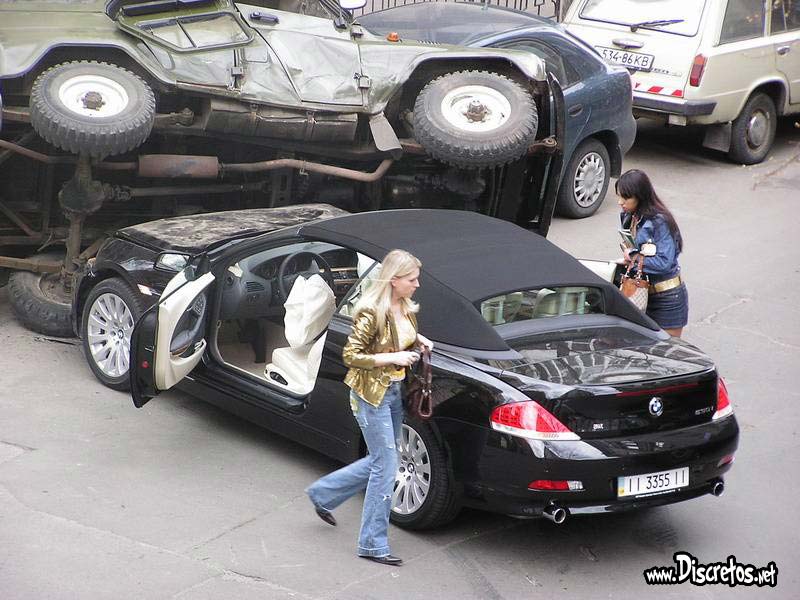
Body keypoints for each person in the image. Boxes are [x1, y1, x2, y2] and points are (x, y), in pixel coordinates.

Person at [305, 249, 434, 566]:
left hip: (394, 391)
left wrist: (418, 340)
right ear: (394, 280)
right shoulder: (370, 311)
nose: (417, 284)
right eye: (412, 279)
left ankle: (323, 493)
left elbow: (396, 335)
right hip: (370, 395)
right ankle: (372, 544)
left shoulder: (404, 306)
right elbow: (351, 356)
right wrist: (393, 358)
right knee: (386, 467)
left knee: (382, 460)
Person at [616, 169, 688, 337]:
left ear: (641, 196)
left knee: (666, 348)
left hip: (667, 298)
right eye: (619, 196)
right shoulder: (629, 216)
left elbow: (663, 262)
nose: (620, 202)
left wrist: (632, 257)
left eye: (626, 198)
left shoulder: (659, 221)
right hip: (641, 292)